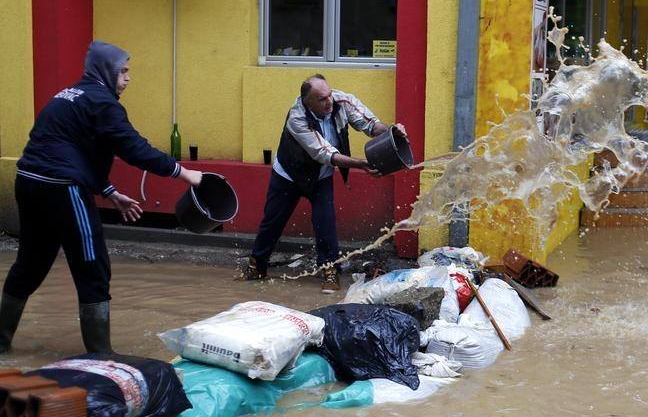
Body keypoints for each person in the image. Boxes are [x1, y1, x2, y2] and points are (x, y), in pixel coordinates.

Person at [0, 41, 202, 354]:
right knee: (92, 265)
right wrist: (183, 173)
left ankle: (2, 342)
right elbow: (133, 147)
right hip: (62, 188)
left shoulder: (66, 97)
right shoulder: (103, 103)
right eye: (123, 71)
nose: (128, 77)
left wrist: (110, 192)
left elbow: (72, 150)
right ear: (105, 70)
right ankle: (100, 355)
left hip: (29, 183)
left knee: (30, 264)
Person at [245, 75, 405, 289]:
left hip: (321, 176)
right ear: (307, 102)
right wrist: (361, 164)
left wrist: (392, 132)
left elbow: (370, 125)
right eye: (321, 99)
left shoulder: (342, 101)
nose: (329, 101)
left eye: (329, 95)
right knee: (272, 222)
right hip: (289, 175)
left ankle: (330, 270)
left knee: (325, 223)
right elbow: (325, 153)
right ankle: (257, 266)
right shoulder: (297, 118)